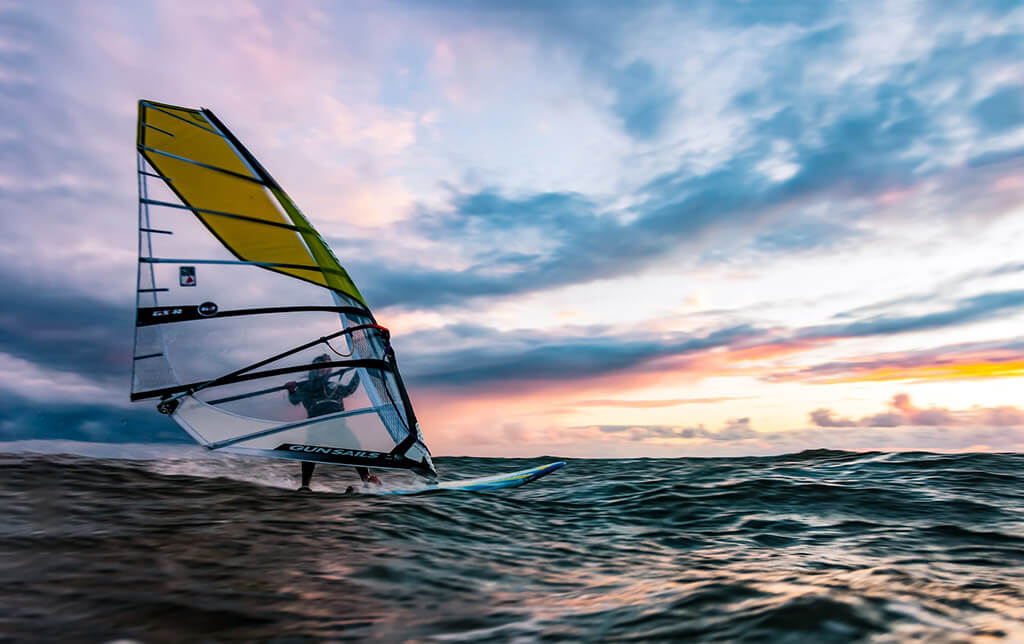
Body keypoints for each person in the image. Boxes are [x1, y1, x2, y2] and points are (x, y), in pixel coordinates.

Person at [285, 353, 381, 491]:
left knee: (355, 446)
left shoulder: (333, 385)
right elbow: (294, 400)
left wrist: (360, 372)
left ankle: (366, 478)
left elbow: (349, 389)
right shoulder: (304, 387)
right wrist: (291, 390)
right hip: (317, 427)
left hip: (338, 427)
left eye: (329, 367)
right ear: (315, 368)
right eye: (323, 367)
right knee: (309, 451)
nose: (327, 370)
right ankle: (305, 486)